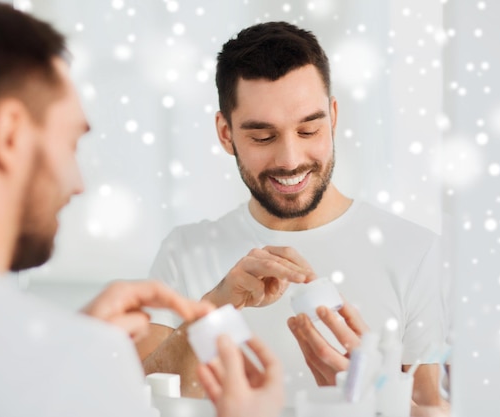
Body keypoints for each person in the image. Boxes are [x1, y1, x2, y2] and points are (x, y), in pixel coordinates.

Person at [0, 2, 284, 416]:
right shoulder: (78, 367)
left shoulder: (63, 360)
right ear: (9, 136)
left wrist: (70, 345)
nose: (77, 183)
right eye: (70, 143)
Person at [138, 20, 449, 410]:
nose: (290, 160)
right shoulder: (185, 252)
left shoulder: (414, 253)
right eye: (263, 137)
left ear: (333, 117)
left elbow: (437, 407)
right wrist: (214, 307)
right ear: (225, 133)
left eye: (308, 131)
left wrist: (372, 397)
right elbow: (135, 401)